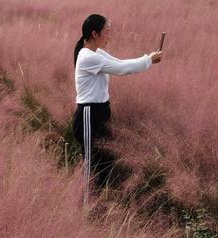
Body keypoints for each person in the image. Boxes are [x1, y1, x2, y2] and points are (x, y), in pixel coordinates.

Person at [72, 14, 162, 205]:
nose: (109, 36)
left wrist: (148, 58)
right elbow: (121, 70)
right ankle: (84, 209)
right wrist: (149, 60)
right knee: (92, 164)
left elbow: (121, 63)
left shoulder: (97, 53)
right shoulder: (87, 57)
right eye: (107, 32)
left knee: (105, 162)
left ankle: (96, 206)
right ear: (95, 34)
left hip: (101, 112)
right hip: (89, 115)